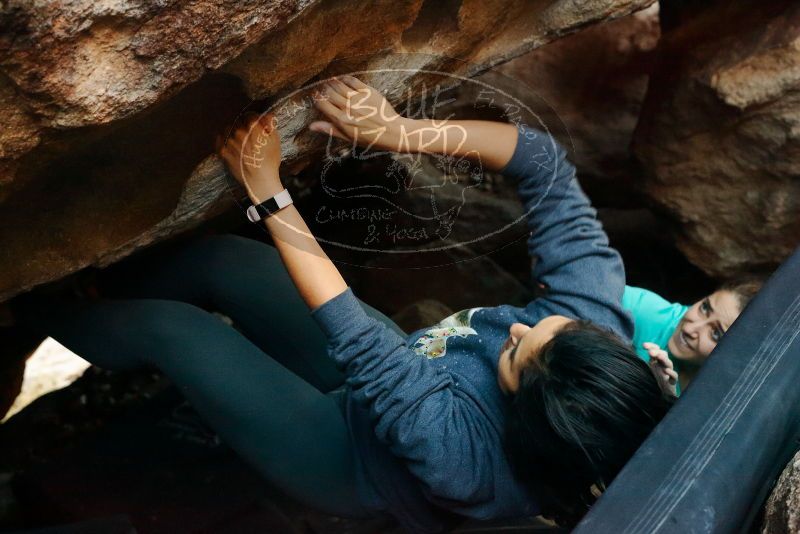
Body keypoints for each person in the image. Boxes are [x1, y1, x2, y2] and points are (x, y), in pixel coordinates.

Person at [14, 76, 673, 530]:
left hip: (349, 459)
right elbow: (546, 166)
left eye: (514, 361)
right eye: (543, 330)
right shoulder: (595, 321)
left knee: (174, 332)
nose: (515, 333)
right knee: (225, 262)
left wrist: (269, 194)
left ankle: (31, 311)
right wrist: (403, 131)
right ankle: (100, 299)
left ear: (521, 427)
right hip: (401, 371)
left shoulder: (468, 463)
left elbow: (361, 342)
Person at [624, 279, 763, 395]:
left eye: (715, 334)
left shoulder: (731, 395)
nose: (689, 329)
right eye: (705, 308)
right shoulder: (642, 310)